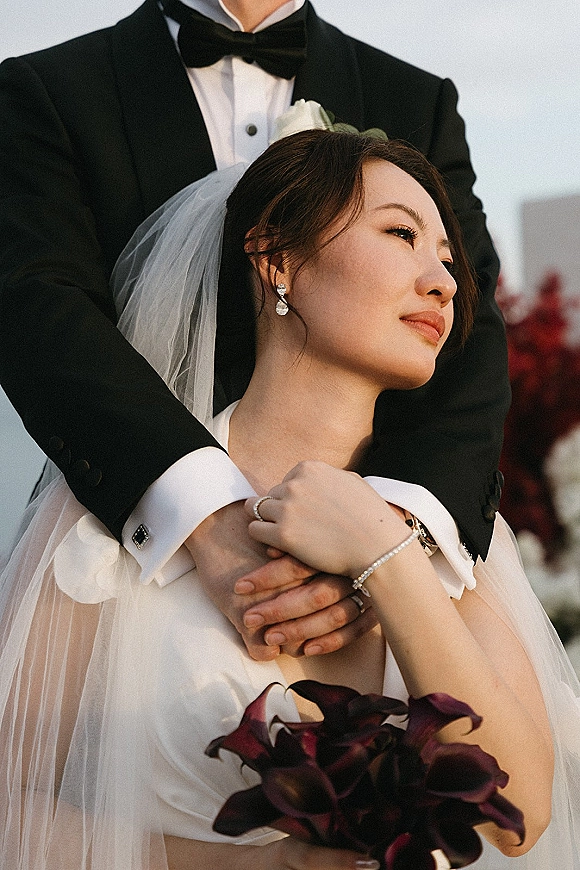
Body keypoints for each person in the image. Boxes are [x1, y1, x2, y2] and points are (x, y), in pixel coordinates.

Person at [0, 130, 578, 870]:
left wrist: (387, 557)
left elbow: (518, 816)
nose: (444, 281)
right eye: (401, 233)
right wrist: (260, 864)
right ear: (276, 256)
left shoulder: (455, 531)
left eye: (446, 256)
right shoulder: (111, 522)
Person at [0, 0, 510, 661]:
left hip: (387, 539)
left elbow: (469, 323)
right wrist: (207, 519)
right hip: (130, 534)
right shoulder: (49, 91)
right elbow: (40, 306)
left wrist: (390, 540)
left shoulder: (416, 97)